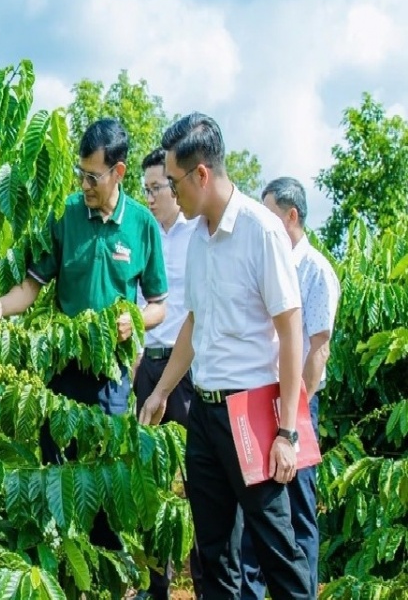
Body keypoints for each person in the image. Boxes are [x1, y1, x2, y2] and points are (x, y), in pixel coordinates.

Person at [0, 118, 168, 552]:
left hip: (111, 376)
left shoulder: (141, 225)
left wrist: (133, 320)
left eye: (93, 176)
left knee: (103, 480)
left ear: (118, 171)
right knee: (57, 472)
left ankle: (103, 573)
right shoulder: (65, 215)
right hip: (62, 370)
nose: (84, 183)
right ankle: (60, 570)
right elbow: (30, 287)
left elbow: (159, 305)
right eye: (80, 173)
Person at [138, 113, 314, 599]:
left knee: (277, 549)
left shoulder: (261, 231)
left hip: (253, 413)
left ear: (201, 175)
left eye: (173, 182)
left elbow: (291, 329)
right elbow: (193, 323)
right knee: (214, 555)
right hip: (206, 411)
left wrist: (286, 432)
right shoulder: (198, 239)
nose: (170, 193)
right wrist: (162, 392)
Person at [238, 177, 341, 599]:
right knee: (256, 506)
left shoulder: (315, 270)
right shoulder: (270, 261)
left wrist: (293, 416)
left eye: (271, 213)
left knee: (297, 510)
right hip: (261, 400)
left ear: (291, 216)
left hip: (294, 408)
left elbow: (317, 351)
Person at [132, 148, 202, 599]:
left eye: (158, 187)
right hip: (148, 364)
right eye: (147, 190)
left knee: (199, 480)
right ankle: (157, 584)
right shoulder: (144, 235)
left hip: (190, 369)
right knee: (151, 482)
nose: (152, 197)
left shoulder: (199, 233)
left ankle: (203, 583)